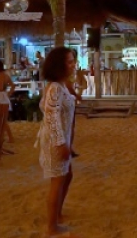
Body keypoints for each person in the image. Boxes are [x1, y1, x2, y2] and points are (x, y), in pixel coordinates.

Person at [35, 47, 78, 238]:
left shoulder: (60, 85)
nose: (73, 64)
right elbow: (51, 117)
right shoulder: (55, 87)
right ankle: (52, 227)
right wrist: (61, 143)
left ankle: (58, 214)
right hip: (55, 140)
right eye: (69, 61)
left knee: (66, 176)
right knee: (58, 181)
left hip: (62, 138)